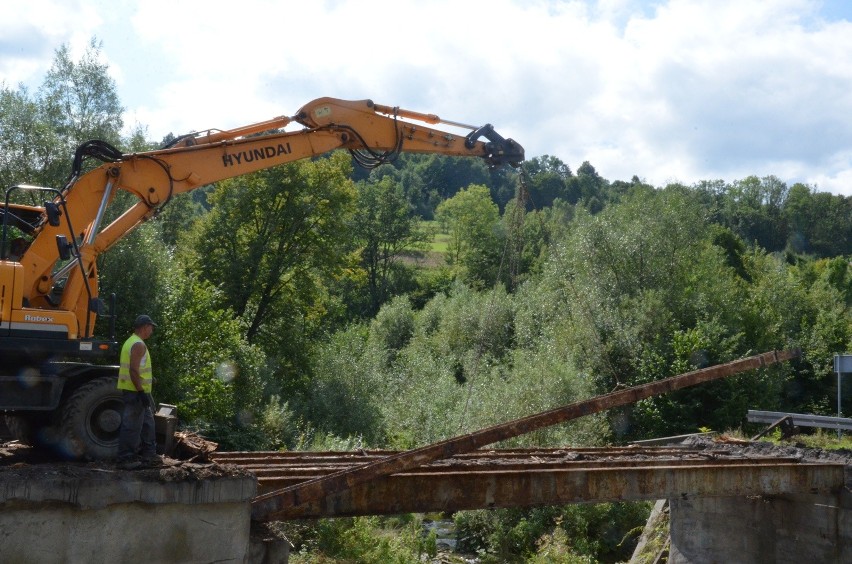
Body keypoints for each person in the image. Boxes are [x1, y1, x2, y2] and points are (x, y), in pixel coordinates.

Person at [116, 314, 158, 462]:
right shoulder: (138, 344)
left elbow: (137, 368)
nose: (151, 331)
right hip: (136, 392)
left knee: (148, 423)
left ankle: (149, 454)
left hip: (138, 391)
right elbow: (133, 370)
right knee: (132, 426)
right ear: (145, 327)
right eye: (151, 328)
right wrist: (141, 392)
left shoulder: (130, 342)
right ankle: (126, 458)